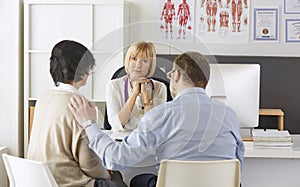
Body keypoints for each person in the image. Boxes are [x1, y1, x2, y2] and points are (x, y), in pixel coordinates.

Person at [69, 52, 244, 187]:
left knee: (139, 181)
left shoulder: (162, 114)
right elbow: (238, 162)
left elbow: (117, 158)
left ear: (175, 76)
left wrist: (89, 123)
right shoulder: (229, 114)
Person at [26, 40, 127, 187]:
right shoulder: (79, 105)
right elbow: (89, 164)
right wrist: (107, 173)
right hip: (65, 181)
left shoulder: (43, 97)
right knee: (117, 177)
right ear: (84, 69)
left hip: (38, 179)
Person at [106, 41, 167, 132]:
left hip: (148, 142)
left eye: (144, 61)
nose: (138, 65)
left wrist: (146, 98)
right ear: (128, 61)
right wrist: (134, 94)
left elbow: (154, 126)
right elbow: (117, 125)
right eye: (134, 59)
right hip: (120, 142)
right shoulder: (114, 86)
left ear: (150, 66)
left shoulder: (160, 88)